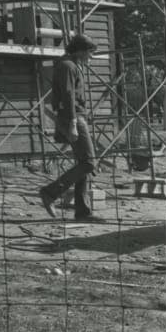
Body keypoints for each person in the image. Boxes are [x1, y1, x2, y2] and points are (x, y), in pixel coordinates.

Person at [39, 33, 105, 222]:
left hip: (75, 116)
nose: (90, 57)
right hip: (72, 117)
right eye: (89, 53)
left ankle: (82, 211)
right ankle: (50, 192)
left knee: (82, 163)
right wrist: (73, 123)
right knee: (89, 163)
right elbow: (68, 95)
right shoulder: (67, 66)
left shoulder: (73, 65)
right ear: (80, 51)